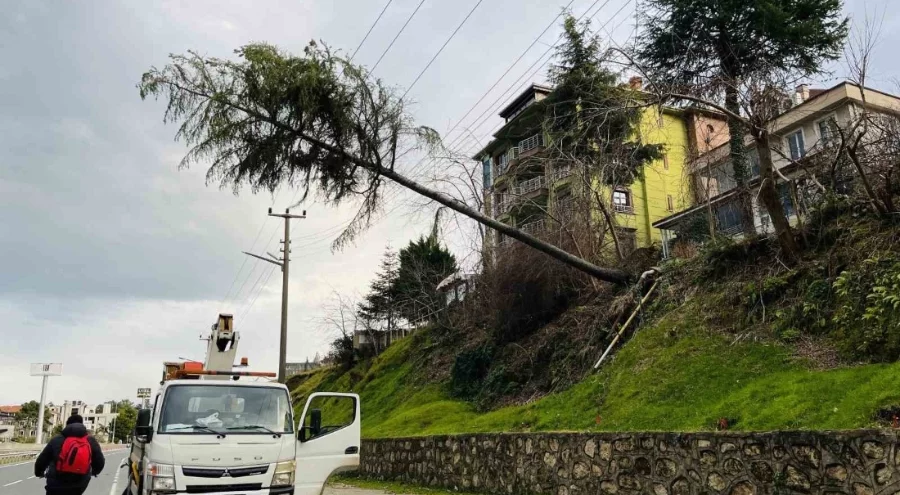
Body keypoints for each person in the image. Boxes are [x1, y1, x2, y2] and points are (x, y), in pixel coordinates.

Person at [34, 415, 106, 495]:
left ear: (67, 425)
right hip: (80, 483)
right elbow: (100, 461)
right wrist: (95, 472)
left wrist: (39, 472)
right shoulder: (90, 440)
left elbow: (42, 459)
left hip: (56, 483)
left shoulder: (57, 439)